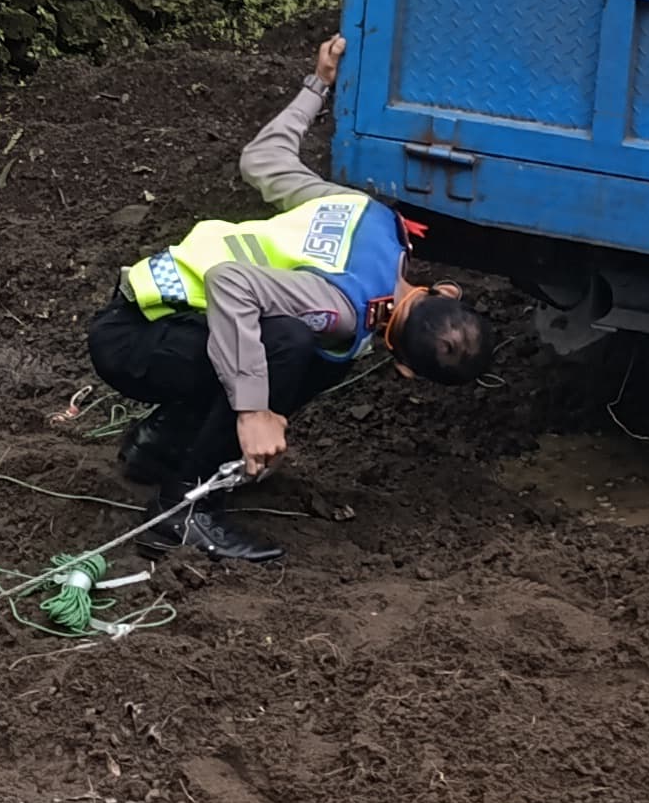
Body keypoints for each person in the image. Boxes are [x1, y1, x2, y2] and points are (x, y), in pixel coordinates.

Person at [86, 35, 487, 562]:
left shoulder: (369, 216)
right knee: (294, 350)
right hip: (134, 341)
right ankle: (184, 513)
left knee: (291, 348)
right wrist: (253, 412)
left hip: (143, 309)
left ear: (443, 291)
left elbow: (262, 158)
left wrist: (318, 83)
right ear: (406, 370)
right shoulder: (343, 310)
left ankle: (156, 448)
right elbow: (232, 282)